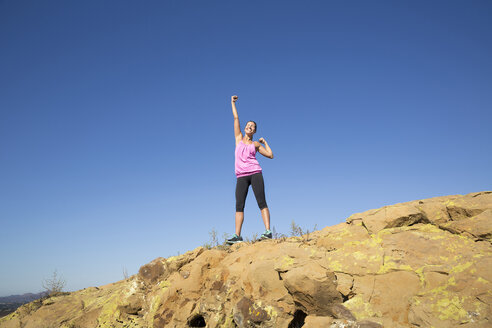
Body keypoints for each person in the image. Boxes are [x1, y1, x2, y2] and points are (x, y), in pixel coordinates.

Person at [226, 95, 274, 245]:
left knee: (261, 201)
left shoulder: (256, 144)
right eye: (248, 125)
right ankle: (237, 235)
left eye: (252, 126)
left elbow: (271, 155)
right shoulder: (238, 138)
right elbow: (235, 118)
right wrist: (232, 103)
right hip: (241, 176)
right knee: (239, 205)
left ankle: (267, 232)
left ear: (254, 131)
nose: (249, 127)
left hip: (255, 173)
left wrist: (265, 142)